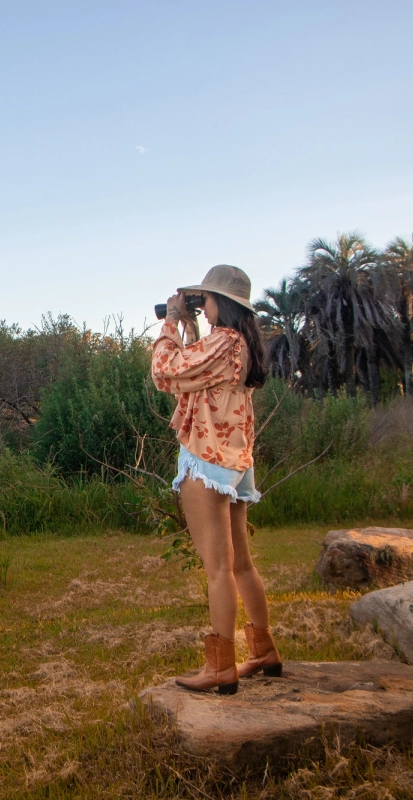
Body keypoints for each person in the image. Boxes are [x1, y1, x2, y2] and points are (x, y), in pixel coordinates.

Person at [150, 264, 281, 695]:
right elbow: (194, 375)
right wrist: (188, 329)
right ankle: (262, 650)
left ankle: (221, 665)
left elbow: (165, 372)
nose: (201, 308)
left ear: (221, 303)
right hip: (234, 457)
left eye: (203, 300)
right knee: (240, 563)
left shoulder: (223, 340)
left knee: (218, 567)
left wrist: (170, 322)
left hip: (206, 457)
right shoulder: (238, 343)